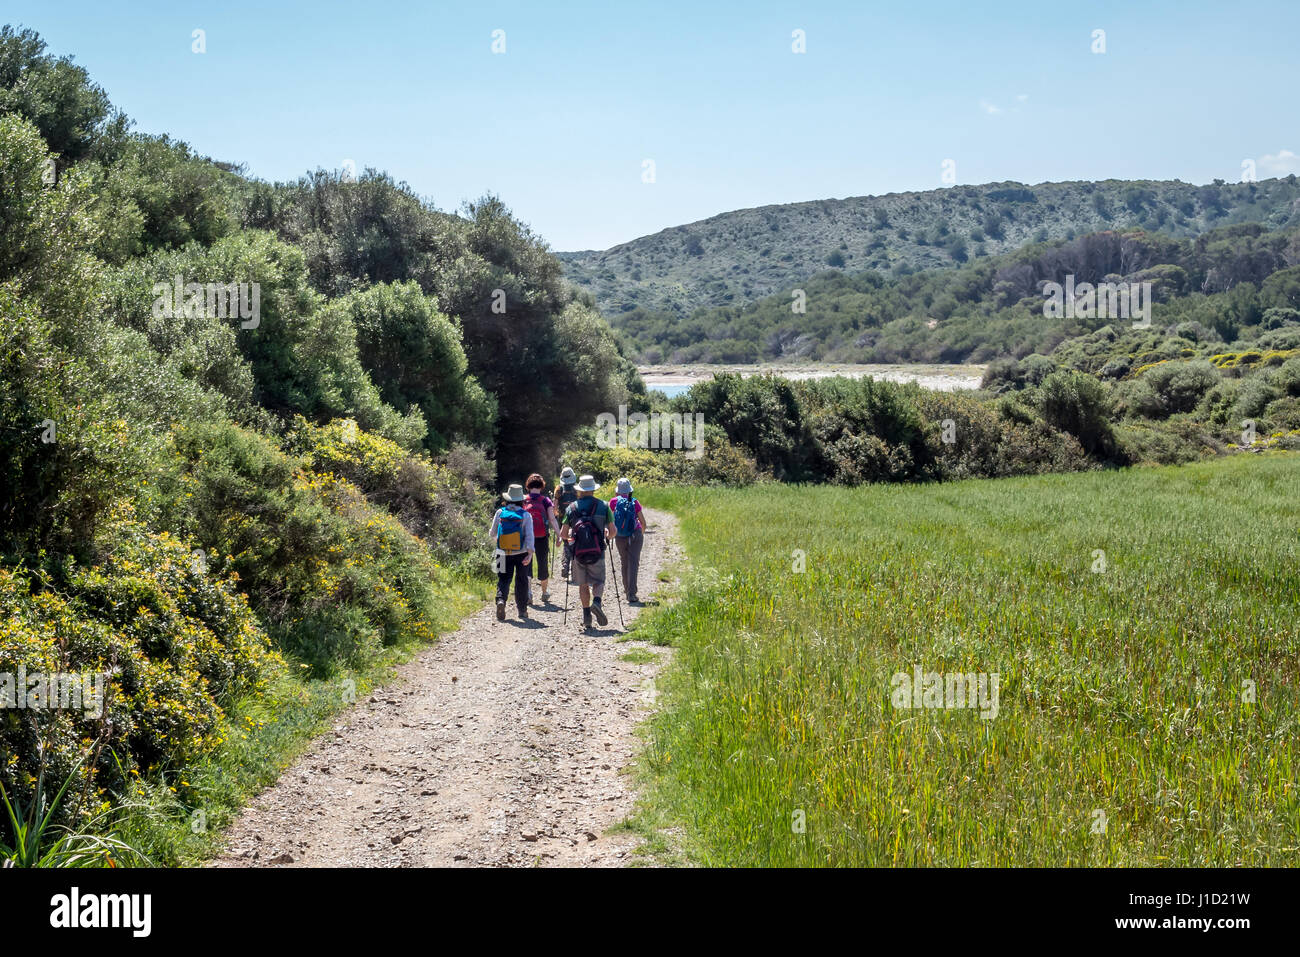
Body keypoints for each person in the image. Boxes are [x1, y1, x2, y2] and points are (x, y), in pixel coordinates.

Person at [560, 475, 614, 630]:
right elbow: (613, 531)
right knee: (598, 581)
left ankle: (587, 618)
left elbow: (563, 534)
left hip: (579, 553)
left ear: (580, 491)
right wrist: (606, 536)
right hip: (597, 552)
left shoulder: (571, 508)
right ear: (593, 490)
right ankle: (596, 602)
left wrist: (571, 536)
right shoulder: (604, 506)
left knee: (582, 583)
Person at [489, 483, 535, 621]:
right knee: (521, 581)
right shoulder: (526, 515)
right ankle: (522, 611)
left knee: (503, 579)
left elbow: (492, 533)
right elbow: (529, 536)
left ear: (507, 498)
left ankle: (501, 601)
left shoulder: (500, 512)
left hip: (501, 552)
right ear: (521, 499)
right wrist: (530, 553)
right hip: (521, 554)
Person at [522, 473, 561, 605]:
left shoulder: (523, 500)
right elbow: (552, 519)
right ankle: (544, 593)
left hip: (527, 538)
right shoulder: (545, 501)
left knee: (527, 564)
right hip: (542, 537)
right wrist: (559, 535)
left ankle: (528, 593)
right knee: (542, 563)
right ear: (541, 486)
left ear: (528, 485)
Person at [609, 477, 648, 603]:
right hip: (634, 534)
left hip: (620, 535)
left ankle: (627, 590)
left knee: (624, 562)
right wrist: (639, 534)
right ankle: (632, 594)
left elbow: (610, 520)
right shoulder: (634, 502)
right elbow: (643, 523)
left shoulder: (613, 502)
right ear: (629, 490)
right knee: (634, 563)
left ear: (618, 491)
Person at [553, 466, 579, 578]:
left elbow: (554, 506)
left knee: (566, 542)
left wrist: (557, 515)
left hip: (563, 519)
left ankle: (565, 564)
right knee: (576, 541)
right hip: (576, 517)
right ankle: (574, 568)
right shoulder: (577, 488)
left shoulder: (558, 489)